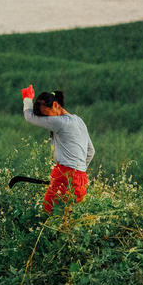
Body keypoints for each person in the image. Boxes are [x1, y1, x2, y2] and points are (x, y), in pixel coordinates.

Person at [21, 85, 95, 213]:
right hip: (81, 178)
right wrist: (79, 170)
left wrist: (27, 99)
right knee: (72, 220)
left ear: (55, 105)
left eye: (47, 115)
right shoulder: (79, 121)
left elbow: (29, 117)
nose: (47, 120)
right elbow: (91, 151)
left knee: (49, 215)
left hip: (65, 175)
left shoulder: (60, 122)